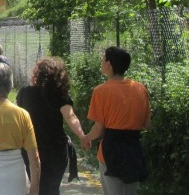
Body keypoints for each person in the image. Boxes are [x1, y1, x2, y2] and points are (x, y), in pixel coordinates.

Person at [81, 46, 151, 195]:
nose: (102, 62)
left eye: (103, 59)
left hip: (110, 149)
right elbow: (147, 124)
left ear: (108, 64)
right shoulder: (140, 88)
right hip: (133, 149)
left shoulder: (101, 91)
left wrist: (86, 138)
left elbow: (99, 128)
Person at [17, 57, 86, 195]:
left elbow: (18, 118)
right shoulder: (61, 96)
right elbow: (70, 117)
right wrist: (82, 136)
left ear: (38, 73)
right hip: (55, 150)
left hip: (31, 148)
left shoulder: (25, 93)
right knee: (51, 188)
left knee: (35, 186)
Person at [0, 62, 40, 195]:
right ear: (10, 85)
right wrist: (34, 188)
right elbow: (34, 158)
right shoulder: (22, 114)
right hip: (16, 174)